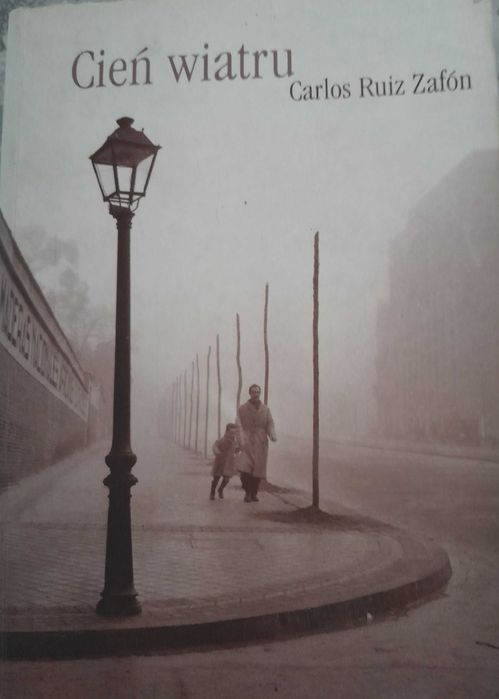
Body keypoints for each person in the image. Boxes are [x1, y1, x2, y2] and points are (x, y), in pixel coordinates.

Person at [236, 384, 276, 502]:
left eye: (258, 392)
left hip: (260, 442)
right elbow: (238, 424)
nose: (256, 394)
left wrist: (272, 434)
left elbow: (270, 423)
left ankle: (254, 493)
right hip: (247, 441)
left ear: (260, 393)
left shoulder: (265, 409)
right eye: (253, 392)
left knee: (258, 470)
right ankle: (247, 492)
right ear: (250, 393)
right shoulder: (242, 408)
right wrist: (241, 440)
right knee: (245, 469)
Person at [210, 423, 239, 500]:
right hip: (219, 463)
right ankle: (212, 493)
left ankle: (220, 489)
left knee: (226, 479)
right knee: (216, 479)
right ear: (226, 432)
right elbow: (215, 446)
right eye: (231, 433)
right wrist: (217, 451)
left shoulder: (235, 443)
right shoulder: (221, 441)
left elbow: (236, 450)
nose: (233, 435)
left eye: (234, 433)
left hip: (229, 464)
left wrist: (240, 449)